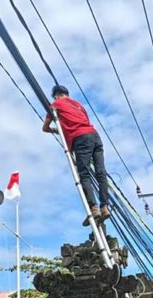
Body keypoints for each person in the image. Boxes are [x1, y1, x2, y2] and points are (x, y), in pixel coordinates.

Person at [42, 85, 109, 226]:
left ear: (56, 95)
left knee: (84, 174)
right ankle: (104, 207)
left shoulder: (56, 104)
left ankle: (94, 208)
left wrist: (55, 130)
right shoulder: (79, 105)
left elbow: (45, 128)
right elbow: (83, 122)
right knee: (101, 173)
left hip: (80, 138)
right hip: (95, 136)